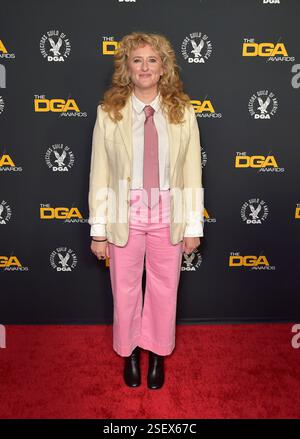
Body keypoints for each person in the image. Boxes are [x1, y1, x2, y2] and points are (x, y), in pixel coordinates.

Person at [88, 32, 204, 389]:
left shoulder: (183, 112)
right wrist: (98, 229)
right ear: (126, 67)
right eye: (137, 60)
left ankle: (156, 354)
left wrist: (192, 225)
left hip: (168, 212)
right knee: (124, 289)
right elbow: (100, 172)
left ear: (163, 67)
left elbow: (190, 172)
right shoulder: (110, 113)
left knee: (164, 288)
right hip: (127, 211)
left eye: (152, 60)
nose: (144, 67)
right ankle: (129, 353)